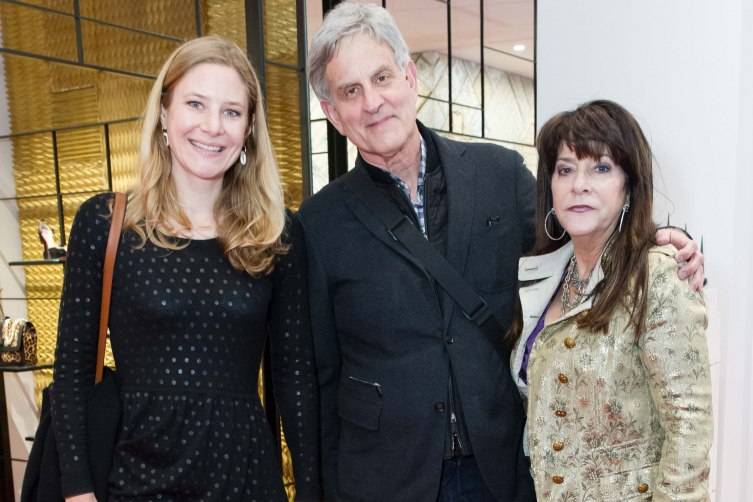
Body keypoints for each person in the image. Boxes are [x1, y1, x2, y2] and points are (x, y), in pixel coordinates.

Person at [300, 4, 703, 502]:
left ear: (409, 76)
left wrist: (653, 240)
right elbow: (317, 375)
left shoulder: (499, 173)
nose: (373, 102)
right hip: (385, 477)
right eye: (350, 91)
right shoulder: (319, 224)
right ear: (332, 113)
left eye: (382, 77)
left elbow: (576, 237)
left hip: (501, 467)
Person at [51, 36, 320, 501]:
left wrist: (312, 490)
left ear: (248, 129)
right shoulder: (106, 222)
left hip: (246, 481)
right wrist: (77, 490)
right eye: (196, 104)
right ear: (164, 113)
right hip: (134, 481)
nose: (212, 126)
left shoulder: (276, 233)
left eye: (231, 112)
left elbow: (294, 376)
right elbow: (72, 369)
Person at [510, 100, 712, 501]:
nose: (579, 185)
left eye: (600, 168)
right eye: (565, 169)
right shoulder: (545, 277)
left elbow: (689, 430)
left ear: (628, 185)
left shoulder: (657, 275)